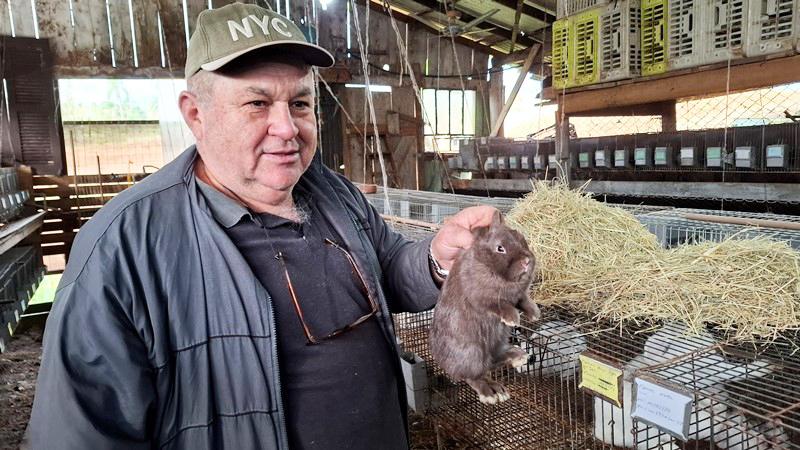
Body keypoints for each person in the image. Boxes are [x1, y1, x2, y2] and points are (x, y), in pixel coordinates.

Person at [28, 3, 497, 449]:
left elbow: (388, 267)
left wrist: (438, 258)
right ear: (196, 114)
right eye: (257, 103)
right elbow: (81, 432)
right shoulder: (123, 248)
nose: (287, 128)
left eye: (299, 103)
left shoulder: (332, 192)